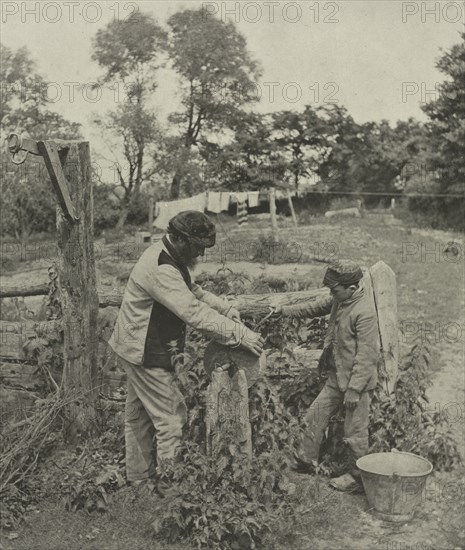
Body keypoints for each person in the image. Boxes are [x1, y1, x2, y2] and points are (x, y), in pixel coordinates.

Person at [109, 211, 264, 488]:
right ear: (179, 239)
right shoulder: (161, 268)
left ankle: (139, 479)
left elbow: (195, 292)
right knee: (172, 416)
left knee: (139, 415)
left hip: (134, 345)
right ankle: (171, 488)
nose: (201, 254)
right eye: (197, 247)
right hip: (144, 350)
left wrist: (226, 309)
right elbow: (193, 313)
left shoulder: (170, 255)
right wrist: (240, 334)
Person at [272, 259, 380, 491]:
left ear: (351, 288)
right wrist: (283, 310)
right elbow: (314, 307)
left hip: (356, 384)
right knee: (315, 415)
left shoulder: (364, 313)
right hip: (336, 376)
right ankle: (305, 460)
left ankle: (357, 479)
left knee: (355, 431)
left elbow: (367, 356)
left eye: (335, 289)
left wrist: (353, 389)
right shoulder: (340, 300)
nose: (331, 293)